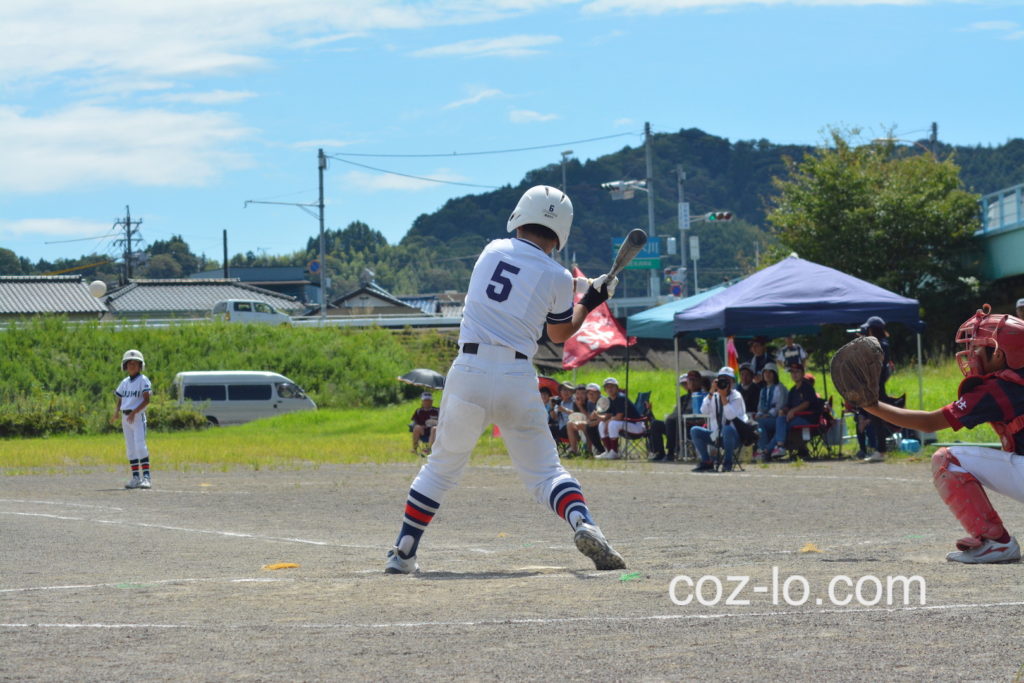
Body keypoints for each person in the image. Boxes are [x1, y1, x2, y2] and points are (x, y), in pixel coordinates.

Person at [384, 185, 626, 574]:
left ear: (520, 216)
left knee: (440, 468)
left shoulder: (491, 251)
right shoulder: (558, 275)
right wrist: (592, 301)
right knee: (547, 472)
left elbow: (524, 281)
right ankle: (583, 522)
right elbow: (560, 333)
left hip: (469, 371)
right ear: (561, 231)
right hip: (516, 374)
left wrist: (586, 290)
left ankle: (404, 551)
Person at [859, 304, 1024, 563]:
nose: (971, 354)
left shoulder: (999, 388)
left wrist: (871, 406)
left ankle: (996, 543)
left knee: (947, 458)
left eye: (978, 347)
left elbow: (928, 423)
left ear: (1000, 355)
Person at [690, 367, 746, 473]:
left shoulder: (736, 396)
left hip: (734, 437)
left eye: (728, 380)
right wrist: (711, 391)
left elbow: (730, 417)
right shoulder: (714, 396)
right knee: (695, 430)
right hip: (717, 436)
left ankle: (728, 463)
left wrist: (724, 397)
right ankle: (707, 462)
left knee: (727, 429)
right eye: (722, 379)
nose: (725, 382)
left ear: (733, 382)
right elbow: (703, 411)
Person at [113, 349, 152, 489]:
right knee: (130, 448)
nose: (132, 366)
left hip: (137, 417)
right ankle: (136, 477)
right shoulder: (124, 382)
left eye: (135, 364)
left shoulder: (143, 380)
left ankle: (146, 477)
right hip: (126, 417)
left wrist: (134, 412)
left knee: (140, 445)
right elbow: (120, 398)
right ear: (125, 366)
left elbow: (147, 400)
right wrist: (117, 412)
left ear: (140, 366)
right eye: (129, 363)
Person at [860, 315, 892, 462]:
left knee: (878, 418)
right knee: (878, 418)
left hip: (876, 387)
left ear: (873, 330)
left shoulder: (881, 345)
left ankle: (881, 450)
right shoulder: (882, 343)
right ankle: (881, 449)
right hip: (877, 386)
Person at [770, 363, 818, 459]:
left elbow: (806, 403)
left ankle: (775, 448)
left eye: (797, 372)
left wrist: (793, 411)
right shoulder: (792, 390)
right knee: (780, 420)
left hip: (807, 417)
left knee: (783, 427)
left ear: (803, 373)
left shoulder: (807, 387)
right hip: (795, 417)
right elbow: (789, 405)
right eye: (792, 372)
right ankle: (775, 448)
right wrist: (783, 410)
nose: (794, 374)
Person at [595, 377, 645, 460]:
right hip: (625, 425)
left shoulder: (621, 398)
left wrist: (608, 421)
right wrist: (598, 416)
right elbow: (607, 416)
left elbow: (619, 417)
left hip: (637, 426)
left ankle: (614, 452)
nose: (609, 389)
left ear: (617, 388)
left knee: (612, 423)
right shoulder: (609, 400)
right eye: (607, 387)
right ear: (605, 390)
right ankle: (608, 451)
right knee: (601, 424)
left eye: (612, 386)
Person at [664, 370, 706, 462]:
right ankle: (659, 452)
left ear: (700, 382)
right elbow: (675, 413)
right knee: (656, 424)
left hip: (693, 424)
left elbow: (705, 416)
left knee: (672, 421)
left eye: (694, 380)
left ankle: (671, 452)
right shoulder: (683, 398)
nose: (692, 383)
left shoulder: (704, 396)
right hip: (677, 423)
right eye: (689, 380)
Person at [753, 363, 788, 462]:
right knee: (757, 422)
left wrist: (768, 415)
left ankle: (764, 450)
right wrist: (759, 415)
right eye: (765, 372)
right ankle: (763, 449)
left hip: (777, 418)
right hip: (766, 417)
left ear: (775, 374)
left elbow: (780, 405)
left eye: (770, 372)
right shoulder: (763, 390)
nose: (767, 375)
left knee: (761, 422)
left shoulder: (780, 388)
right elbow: (760, 407)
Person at [410, 392, 439, 457]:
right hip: (423, 431)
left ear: (432, 401)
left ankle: (429, 449)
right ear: (422, 401)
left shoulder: (437, 410)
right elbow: (415, 422)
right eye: (425, 401)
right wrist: (421, 426)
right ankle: (414, 448)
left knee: (434, 428)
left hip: (435, 431)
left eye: (428, 400)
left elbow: (443, 421)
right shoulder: (419, 411)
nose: (426, 402)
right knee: (417, 428)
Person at [566, 384, 591, 455]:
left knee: (582, 425)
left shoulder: (589, 402)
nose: (580, 396)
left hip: (591, 424)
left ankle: (588, 450)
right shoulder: (575, 403)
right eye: (577, 393)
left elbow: (589, 417)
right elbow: (576, 416)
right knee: (569, 424)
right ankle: (574, 450)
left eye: (582, 393)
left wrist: (580, 406)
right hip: (580, 424)